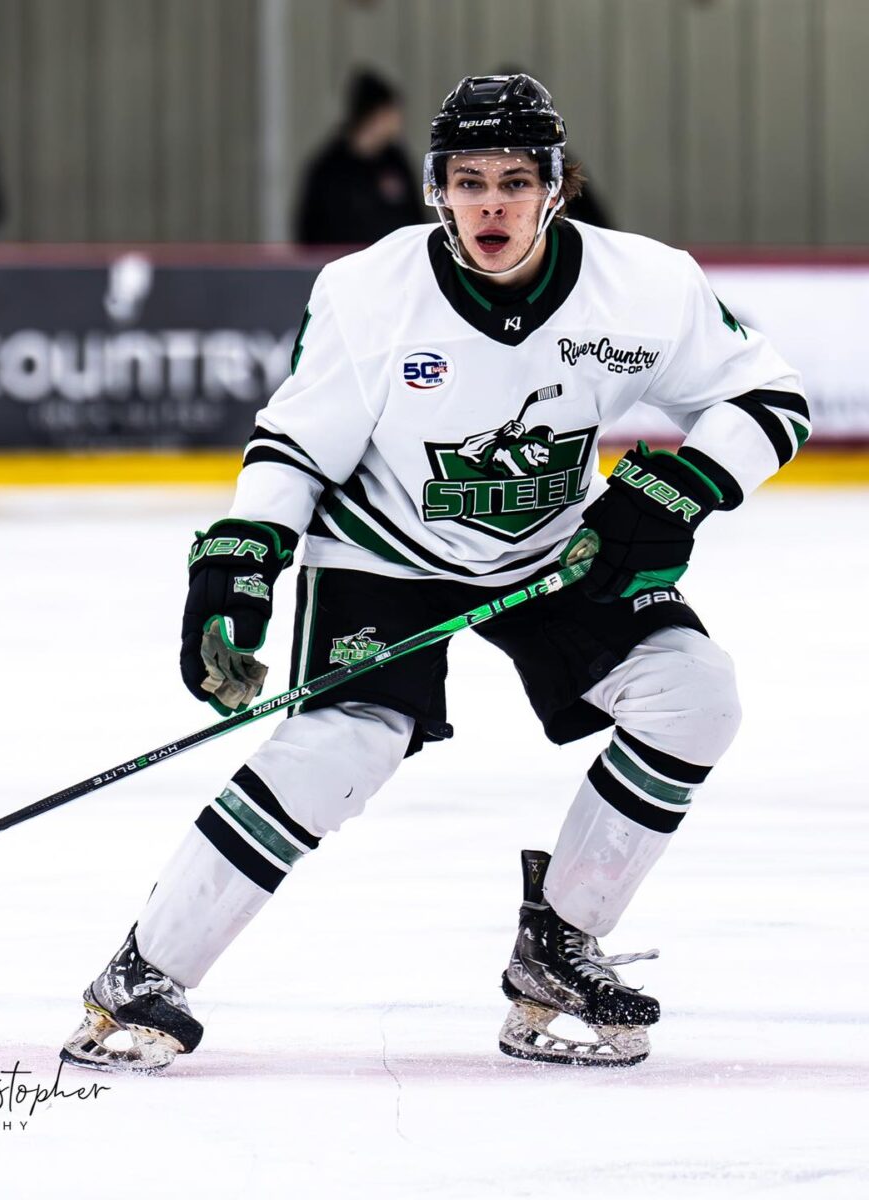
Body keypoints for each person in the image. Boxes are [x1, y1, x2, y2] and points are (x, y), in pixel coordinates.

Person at [62, 74, 808, 1073]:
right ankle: (145, 972)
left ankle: (559, 947)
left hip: (554, 551)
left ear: (557, 187)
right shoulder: (369, 292)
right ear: (437, 190)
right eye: (469, 182)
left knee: (694, 696)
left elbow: (768, 397)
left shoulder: (647, 285)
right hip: (386, 552)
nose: (491, 205)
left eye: (514, 181)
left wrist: (680, 490)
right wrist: (242, 561)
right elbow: (296, 447)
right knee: (342, 750)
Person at [295, 68, 425, 246]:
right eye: (393, 112)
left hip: (393, 259)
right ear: (376, 114)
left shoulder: (396, 162)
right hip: (342, 260)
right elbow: (311, 227)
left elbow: (417, 218)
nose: (399, 120)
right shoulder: (329, 168)